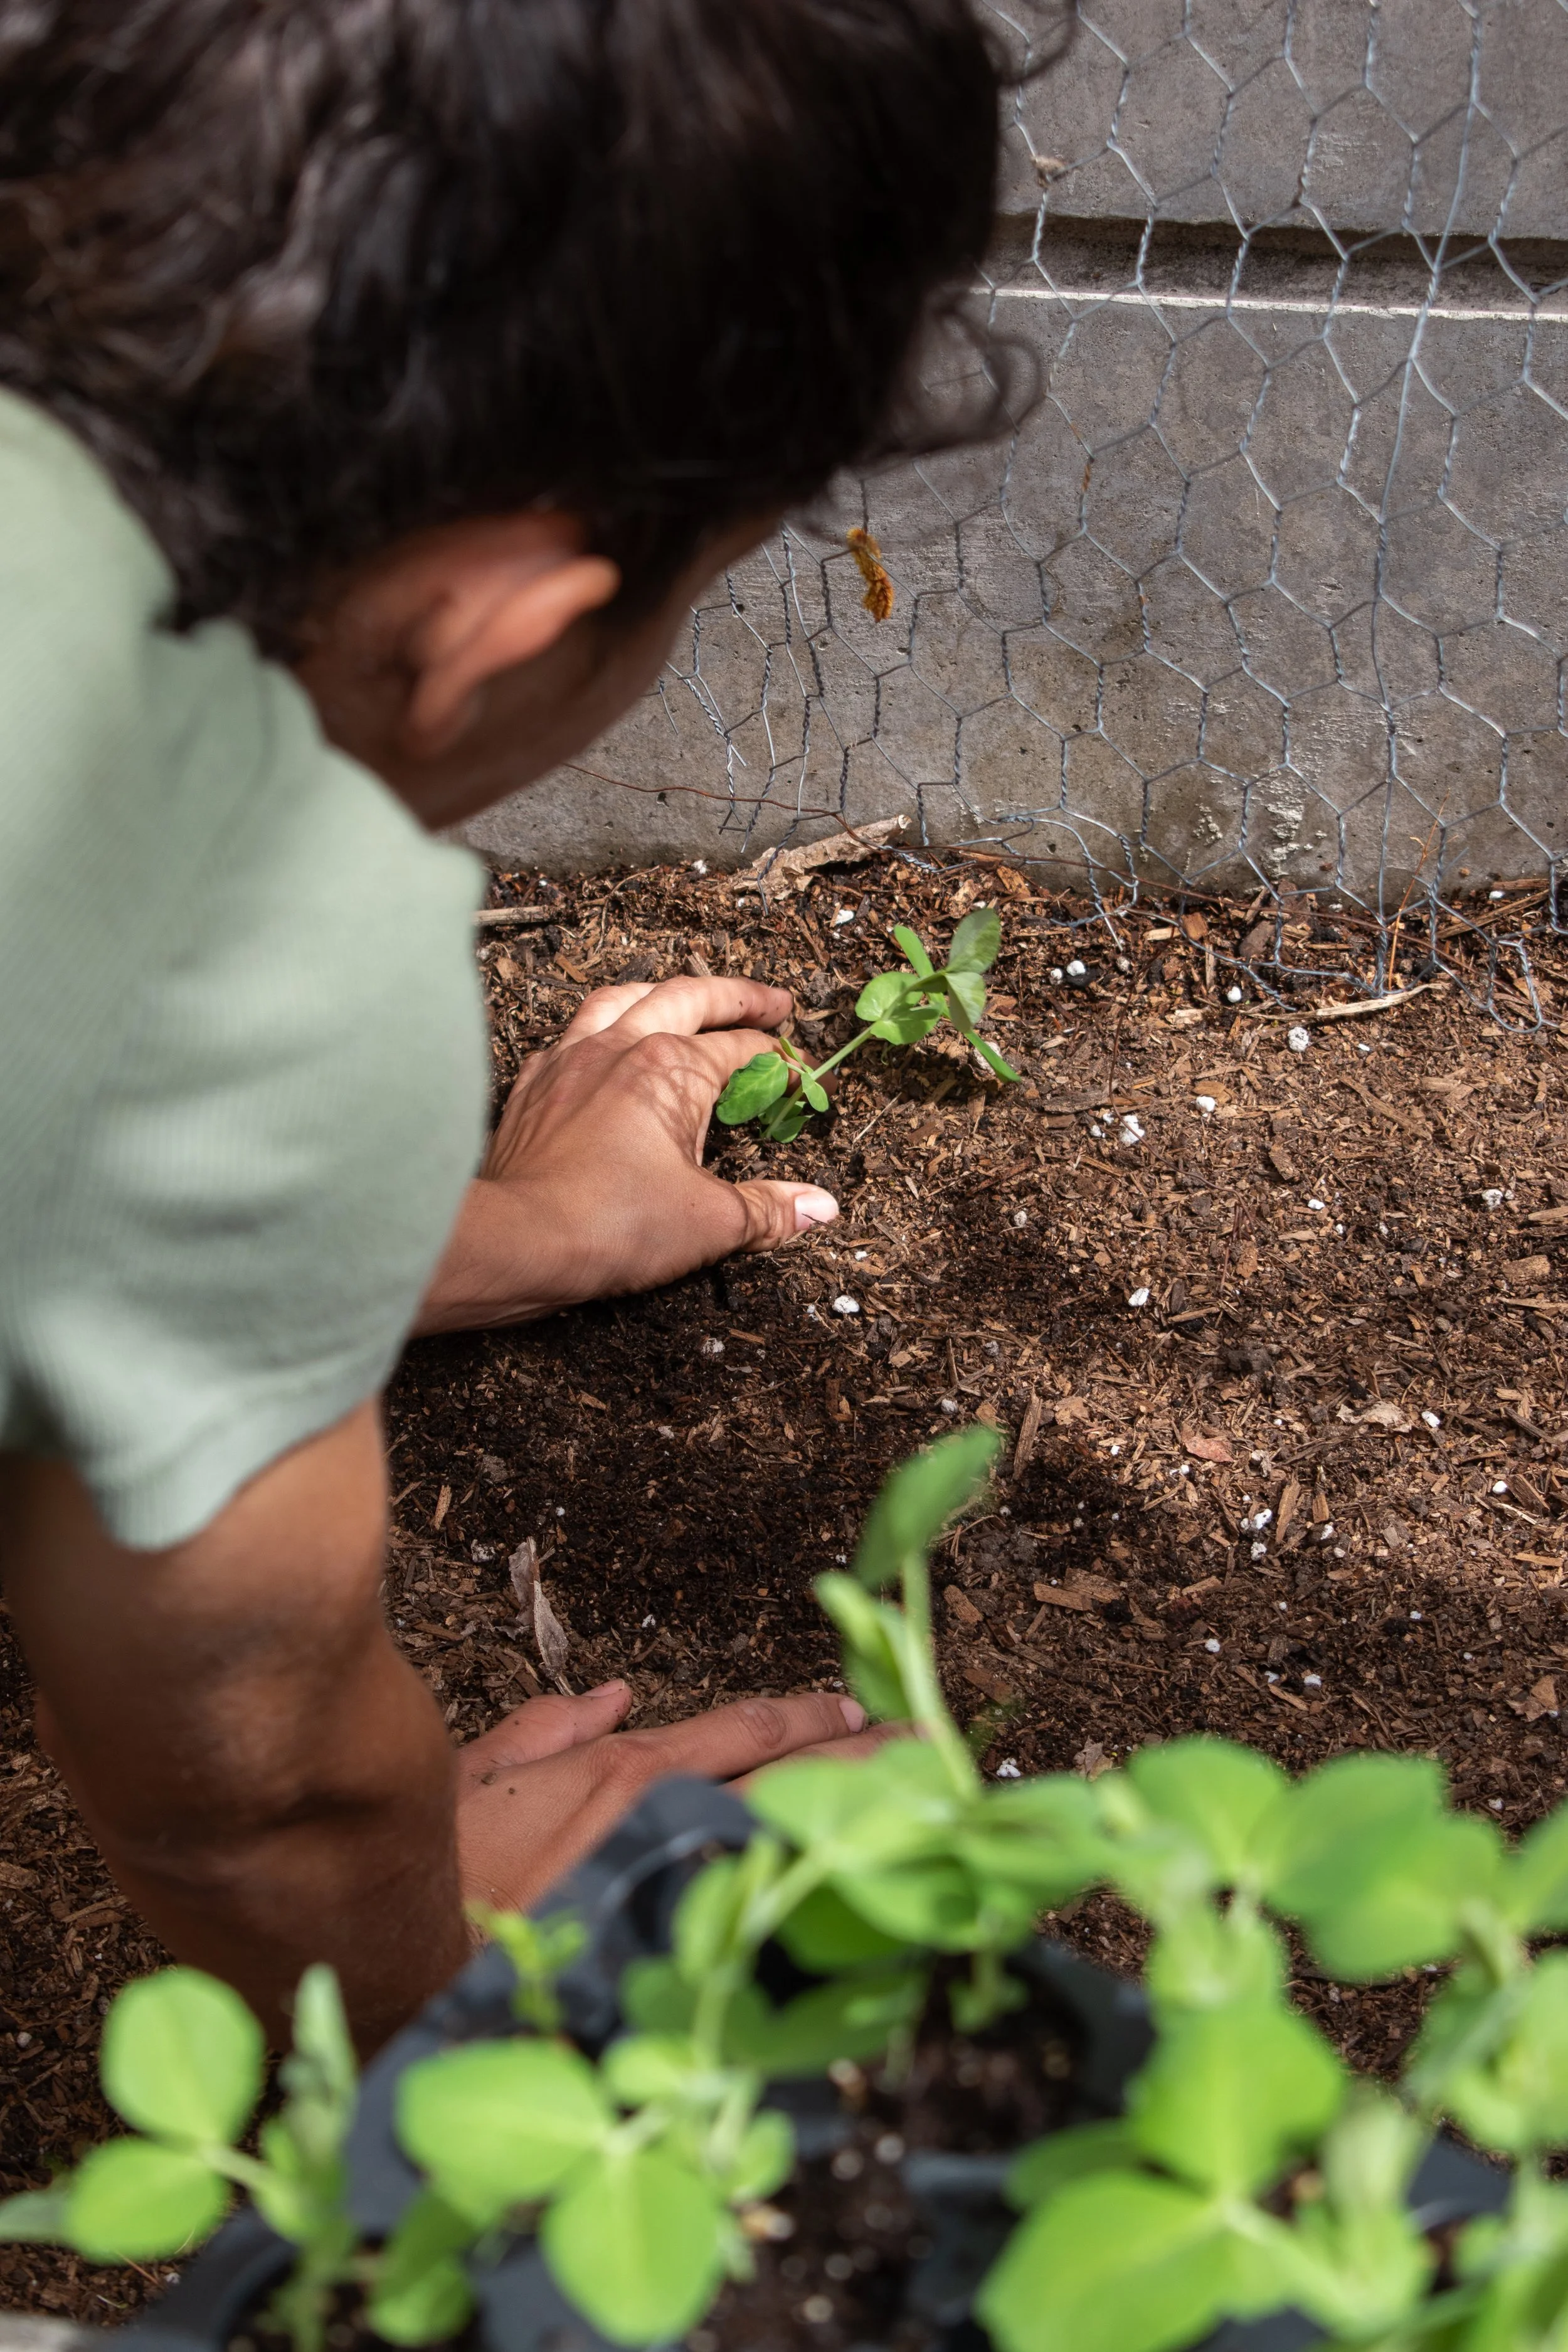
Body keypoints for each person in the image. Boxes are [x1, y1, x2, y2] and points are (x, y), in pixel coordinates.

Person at [0, 0, 1026, 2049]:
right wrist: (436, 1988)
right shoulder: (242, 889)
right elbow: (256, 1784)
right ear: (506, 630)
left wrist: (540, 1230)